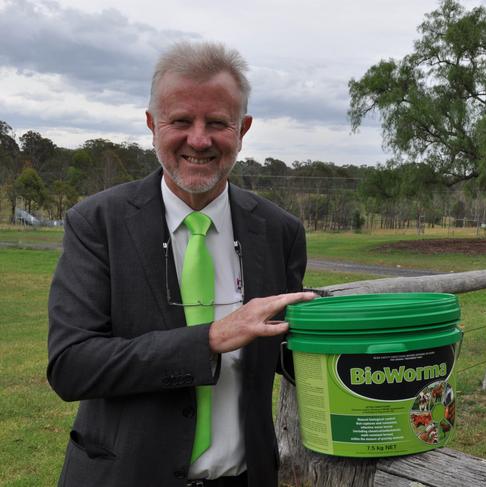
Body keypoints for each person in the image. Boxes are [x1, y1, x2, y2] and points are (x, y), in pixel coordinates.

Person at [47, 41, 315, 487]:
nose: (198, 139)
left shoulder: (279, 231)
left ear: (243, 129)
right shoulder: (97, 223)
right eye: (180, 121)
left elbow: (288, 353)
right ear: (152, 125)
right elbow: (72, 365)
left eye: (217, 123)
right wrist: (210, 339)